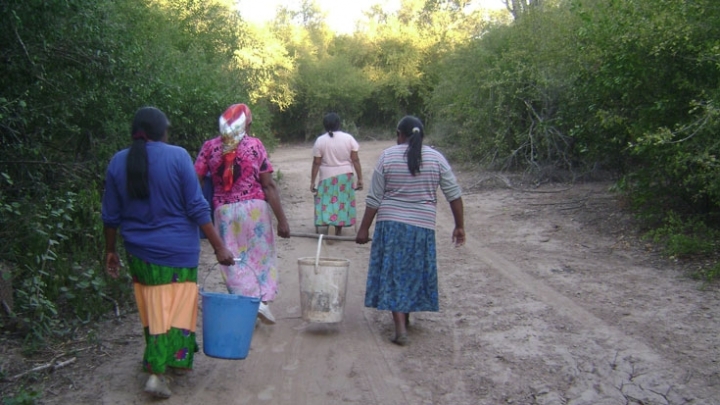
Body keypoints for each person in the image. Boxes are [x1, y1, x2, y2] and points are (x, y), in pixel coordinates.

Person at [102, 107, 234, 399]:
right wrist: (219, 246)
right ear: (161, 131)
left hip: (138, 252)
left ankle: (169, 358)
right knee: (176, 307)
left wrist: (110, 250)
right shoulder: (177, 156)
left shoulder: (117, 161)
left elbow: (110, 215)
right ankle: (158, 370)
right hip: (177, 251)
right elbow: (197, 207)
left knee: (154, 308)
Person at [355, 115, 465, 346]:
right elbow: (453, 193)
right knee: (412, 271)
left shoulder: (387, 156)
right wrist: (459, 226)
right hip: (421, 227)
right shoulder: (436, 158)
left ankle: (400, 327)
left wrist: (364, 228)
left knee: (394, 273)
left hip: (391, 225)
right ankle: (405, 318)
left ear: (400, 135)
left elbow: (375, 198)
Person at [194, 103, 290, 325]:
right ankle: (260, 302)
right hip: (255, 210)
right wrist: (282, 221)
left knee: (232, 260)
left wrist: (197, 212)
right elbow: (268, 186)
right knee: (260, 257)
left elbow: (195, 180)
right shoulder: (255, 146)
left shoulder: (209, 148)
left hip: (224, 212)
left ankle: (248, 304)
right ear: (245, 124)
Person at [310, 112, 363, 236]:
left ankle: (329, 222)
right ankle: (339, 225)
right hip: (345, 175)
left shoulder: (320, 141)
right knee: (342, 200)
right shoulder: (349, 138)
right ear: (339, 124)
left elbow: (316, 163)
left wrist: (312, 181)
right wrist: (360, 178)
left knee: (327, 200)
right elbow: (355, 159)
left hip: (326, 176)